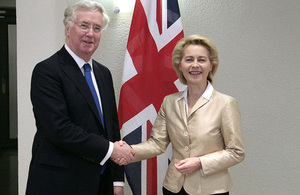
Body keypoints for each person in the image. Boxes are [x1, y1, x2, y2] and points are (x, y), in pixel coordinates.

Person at [26, 1, 134, 194]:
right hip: (60, 183)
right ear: (68, 29)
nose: (90, 33)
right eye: (84, 25)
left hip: (100, 183)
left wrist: (117, 179)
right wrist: (111, 150)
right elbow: (59, 129)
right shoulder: (47, 71)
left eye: (97, 28)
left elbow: (111, 126)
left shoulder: (103, 73)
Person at [118, 34, 245, 195]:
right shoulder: (169, 102)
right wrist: (128, 151)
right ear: (180, 65)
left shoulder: (226, 104)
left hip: (211, 191)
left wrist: (200, 162)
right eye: (189, 59)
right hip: (174, 188)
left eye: (202, 60)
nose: (195, 65)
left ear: (211, 65)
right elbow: (157, 143)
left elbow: (236, 152)